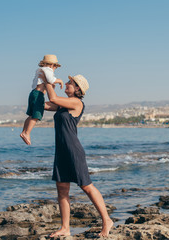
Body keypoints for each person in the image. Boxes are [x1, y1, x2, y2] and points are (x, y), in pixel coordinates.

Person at [42, 74, 113, 237]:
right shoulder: (62, 106)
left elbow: (52, 97)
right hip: (61, 151)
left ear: (78, 89)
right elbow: (44, 104)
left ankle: (107, 220)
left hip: (73, 151)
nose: (66, 84)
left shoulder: (76, 103)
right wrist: (39, 88)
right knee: (62, 189)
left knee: (86, 186)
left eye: (70, 83)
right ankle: (65, 228)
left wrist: (48, 79)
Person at [20, 55, 64, 145]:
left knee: (31, 115)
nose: (55, 68)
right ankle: (26, 133)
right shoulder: (47, 70)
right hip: (38, 95)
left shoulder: (39, 70)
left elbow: (42, 82)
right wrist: (59, 81)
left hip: (33, 93)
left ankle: (24, 131)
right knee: (36, 115)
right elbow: (51, 79)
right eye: (55, 66)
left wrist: (51, 85)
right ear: (51, 65)